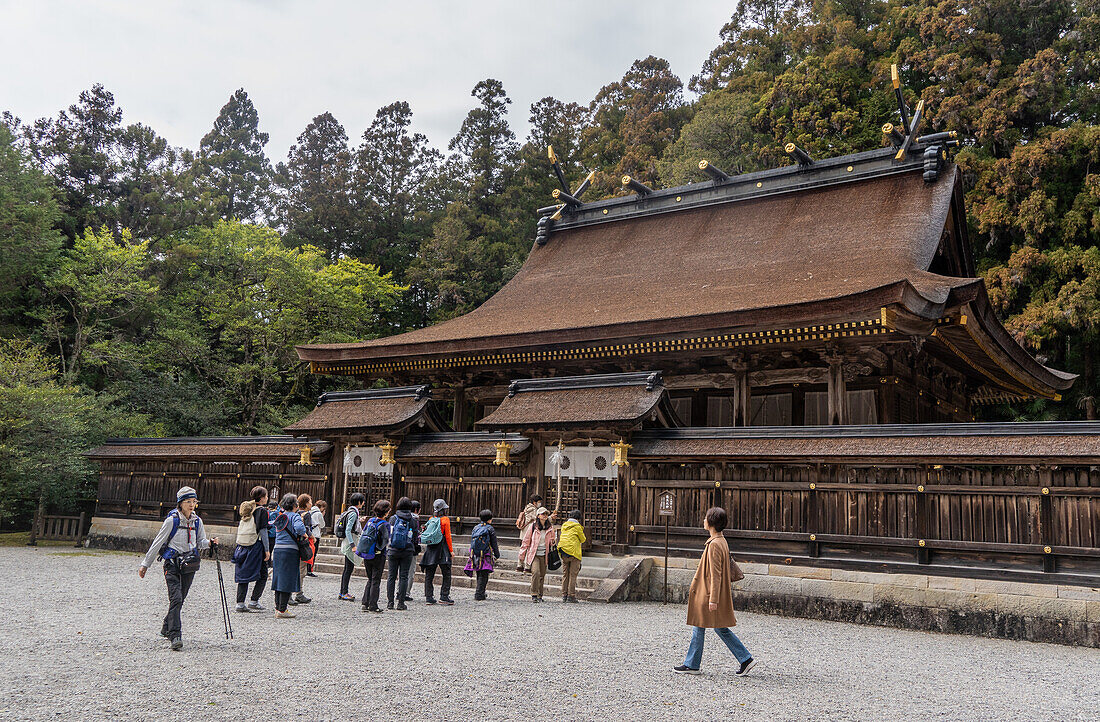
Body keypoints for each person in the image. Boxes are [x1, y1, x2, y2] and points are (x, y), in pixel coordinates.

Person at [674, 506, 757, 676]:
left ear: (711, 522)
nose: (703, 521)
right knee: (713, 627)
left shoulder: (714, 545)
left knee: (703, 625)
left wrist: (713, 599)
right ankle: (744, 659)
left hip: (708, 593)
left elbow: (715, 574)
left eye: (706, 518)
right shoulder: (721, 541)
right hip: (712, 592)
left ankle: (694, 664)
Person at [137, 486, 216, 651]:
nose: (192, 505)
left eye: (194, 501)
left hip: (189, 564)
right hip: (172, 564)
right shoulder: (172, 521)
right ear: (180, 503)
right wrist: (145, 564)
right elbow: (157, 542)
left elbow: (200, 542)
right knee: (176, 598)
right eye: (188, 501)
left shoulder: (197, 521)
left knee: (181, 598)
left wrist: (209, 543)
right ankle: (175, 635)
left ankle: (166, 626)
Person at [233, 485, 270, 612]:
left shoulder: (248, 509)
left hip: (242, 545)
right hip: (256, 545)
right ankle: (254, 600)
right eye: (265, 496)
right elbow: (263, 531)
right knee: (263, 574)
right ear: (261, 498)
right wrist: (267, 550)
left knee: (243, 573)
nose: (267, 498)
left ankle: (240, 603)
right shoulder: (262, 511)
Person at [272, 493, 308, 618]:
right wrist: (305, 534)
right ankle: (283, 610)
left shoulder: (280, 517)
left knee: (278, 579)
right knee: (287, 579)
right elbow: (299, 529)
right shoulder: (295, 516)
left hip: (277, 549)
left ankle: (278, 608)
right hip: (290, 550)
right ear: (294, 505)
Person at [386, 496, 420, 610]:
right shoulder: (413, 520)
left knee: (391, 576)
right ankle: (401, 602)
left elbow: (389, 534)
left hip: (393, 550)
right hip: (407, 550)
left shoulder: (393, 518)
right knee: (403, 576)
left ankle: (390, 602)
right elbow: (415, 537)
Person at [358, 500, 391, 613]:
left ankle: (365, 602)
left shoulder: (370, 521)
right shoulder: (385, 524)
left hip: (366, 552)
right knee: (376, 580)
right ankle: (373, 605)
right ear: (386, 512)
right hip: (378, 555)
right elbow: (385, 540)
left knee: (370, 578)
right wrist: (379, 549)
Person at [420, 498, 455, 606]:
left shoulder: (431, 519)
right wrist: (451, 551)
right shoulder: (445, 520)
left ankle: (429, 597)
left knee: (429, 573)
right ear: (443, 509)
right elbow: (448, 536)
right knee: (446, 573)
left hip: (431, 548)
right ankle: (444, 596)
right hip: (443, 548)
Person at [520, 507, 556, 603]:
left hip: (545, 554)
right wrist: (521, 557)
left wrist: (553, 541)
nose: (545, 516)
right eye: (543, 514)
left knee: (542, 575)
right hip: (534, 554)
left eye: (546, 514)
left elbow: (552, 540)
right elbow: (526, 541)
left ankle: (540, 595)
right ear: (538, 516)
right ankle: (534, 594)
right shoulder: (533, 527)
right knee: (536, 572)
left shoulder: (550, 527)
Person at [464, 509, 500, 601]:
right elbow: (494, 543)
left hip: (475, 553)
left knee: (479, 573)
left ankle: (480, 592)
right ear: (490, 519)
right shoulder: (490, 528)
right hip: (485, 553)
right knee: (484, 574)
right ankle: (479, 594)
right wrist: (497, 554)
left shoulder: (476, 527)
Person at [338, 493, 366, 601]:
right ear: (359, 502)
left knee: (347, 568)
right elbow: (348, 530)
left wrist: (359, 520)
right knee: (348, 569)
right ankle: (344, 592)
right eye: (362, 501)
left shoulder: (350, 511)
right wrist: (353, 545)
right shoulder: (353, 513)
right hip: (351, 543)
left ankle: (342, 592)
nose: (363, 503)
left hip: (349, 542)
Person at [558, 509, 586, 603]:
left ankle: (564, 595)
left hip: (563, 551)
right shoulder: (577, 526)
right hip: (574, 552)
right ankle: (571, 596)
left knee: (565, 574)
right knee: (573, 575)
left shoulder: (564, 525)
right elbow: (583, 539)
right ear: (578, 519)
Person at [294, 493, 315, 605]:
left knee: (296, 568)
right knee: (302, 569)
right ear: (306, 503)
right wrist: (312, 536)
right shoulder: (307, 515)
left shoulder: (296, 513)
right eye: (310, 502)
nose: (311, 504)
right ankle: (299, 593)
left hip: (295, 544)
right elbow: (306, 528)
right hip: (303, 544)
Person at [515, 494, 543, 571]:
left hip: (523, 532)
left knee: (523, 549)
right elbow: (538, 520)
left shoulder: (527, 508)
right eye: (539, 502)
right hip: (530, 532)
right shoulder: (534, 510)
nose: (540, 504)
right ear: (534, 502)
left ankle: (519, 565)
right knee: (530, 549)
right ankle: (527, 567)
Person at [404, 499, 422, 601]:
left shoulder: (401, 517)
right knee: (411, 571)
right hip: (411, 548)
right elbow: (416, 536)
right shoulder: (415, 519)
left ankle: (399, 591)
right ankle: (406, 592)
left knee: (401, 571)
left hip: (401, 547)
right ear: (416, 509)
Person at [306, 500, 326, 577]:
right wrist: (322, 515)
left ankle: (306, 569)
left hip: (309, 534)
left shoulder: (310, 511)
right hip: (316, 535)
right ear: (322, 507)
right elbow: (322, 525)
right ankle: (310, 570)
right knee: (313, 553)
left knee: (308, 551)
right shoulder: (318, 514)